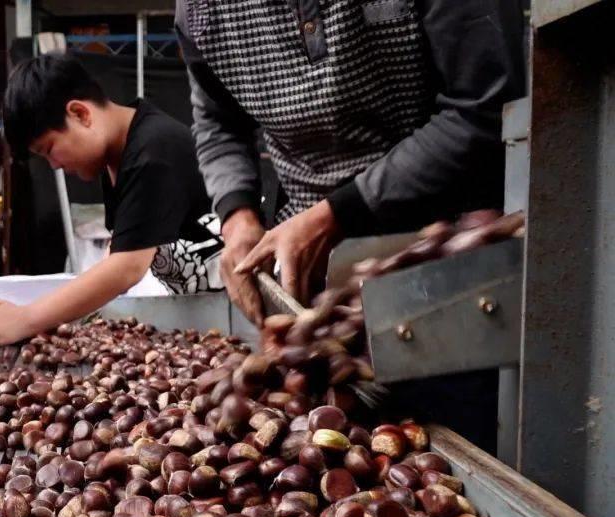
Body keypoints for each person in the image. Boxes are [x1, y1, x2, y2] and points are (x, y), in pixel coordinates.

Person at [175, 0, 524, 311]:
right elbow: (218, 122)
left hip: (452, 254)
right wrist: (237, 217)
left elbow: (483, 111)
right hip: (312, 271)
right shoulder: (200, 8)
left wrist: (338, 215)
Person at [0, 53, 224, 346]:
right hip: (209, 318)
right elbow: (120, 247)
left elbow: (126, 267)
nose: (55, 166)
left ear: (80, 114)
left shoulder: (152, 152)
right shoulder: (119, 153)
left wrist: (26, 319)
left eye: (49, 149)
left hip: (237, 314)